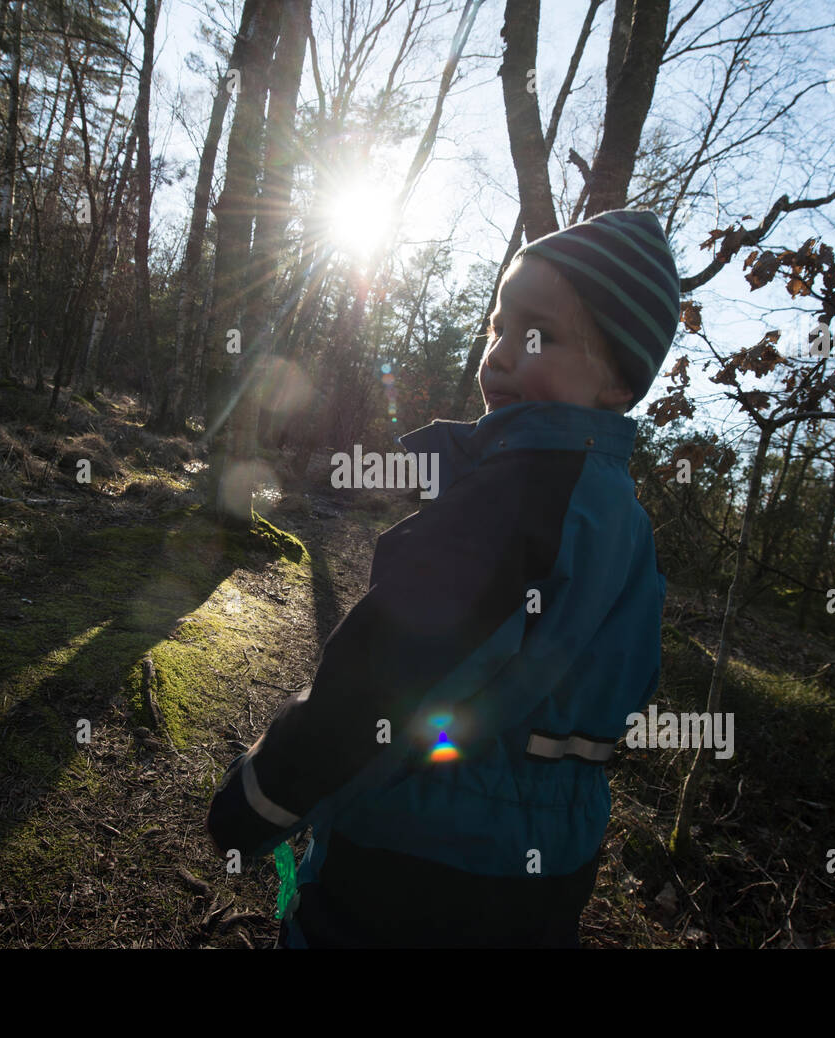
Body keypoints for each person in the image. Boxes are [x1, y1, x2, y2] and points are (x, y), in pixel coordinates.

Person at [206, 208, 679, 948]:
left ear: (620, 379)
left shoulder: (520, 491)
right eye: (497, 327)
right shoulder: (628, 523)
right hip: (554, 871)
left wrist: (262, 796)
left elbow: (385, 666)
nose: (498, 356)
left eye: (538, 336)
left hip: (416, 855)